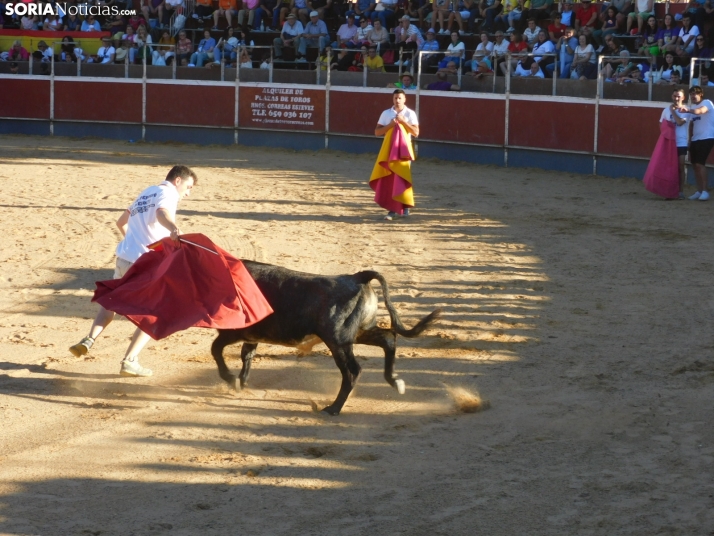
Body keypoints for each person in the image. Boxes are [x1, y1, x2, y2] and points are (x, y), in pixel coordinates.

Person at [69, 166, 198, 377]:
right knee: (155, 311)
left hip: (124, 258)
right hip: (144, 263)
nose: (188, 193)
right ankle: (130, 360)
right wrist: (173, 228)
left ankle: (89, 339)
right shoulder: (169, 194)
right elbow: (161, 213)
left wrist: (132, 241)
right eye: (188, 187)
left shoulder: (147, 191)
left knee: (110, 301)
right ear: (177, 181)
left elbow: (121, 222)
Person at [373, 90, 419, 221]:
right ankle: (392, 209)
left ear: (404, 99)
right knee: (391, 179)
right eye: (395, 98)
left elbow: (416, 132)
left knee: (402, 177)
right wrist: (391, 125)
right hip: (389, 151)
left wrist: (404, 122)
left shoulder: (410, 114)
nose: (397, 100)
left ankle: (404, 207)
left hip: (404, 152)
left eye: (399, 98)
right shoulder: (386, 113)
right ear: (392, 99)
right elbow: (377, 132)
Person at [682, 86, 714, 200]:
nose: (693, 96)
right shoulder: (692, 108)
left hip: (707, 137)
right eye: (691, 94)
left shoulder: (707, 103)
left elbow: (701, 111)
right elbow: (691, 125)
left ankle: (705, 191)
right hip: (695, 139)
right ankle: (699, 191)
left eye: (695, 93)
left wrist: (688, 110)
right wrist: (690, 140)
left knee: (700, 163)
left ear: (701, 94)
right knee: (695, 165)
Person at [661, 89, 690, 199]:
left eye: (678, 96)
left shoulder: (686, 110)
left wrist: (673, 111)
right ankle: (669, 191)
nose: (676, 98)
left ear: (683, 98)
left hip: (681, 142)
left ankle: (680, 191)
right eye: (674, 96)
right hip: (670, 142)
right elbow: (661, 126)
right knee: (669, 167)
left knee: (680, 167)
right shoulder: (665, 110)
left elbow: (679, 122)